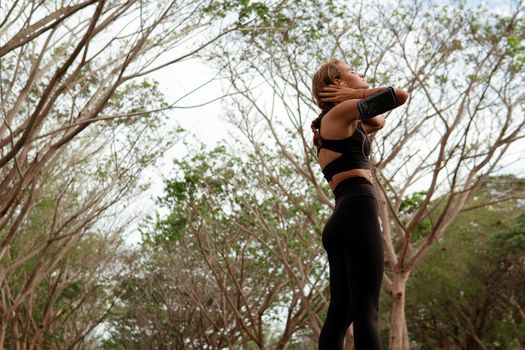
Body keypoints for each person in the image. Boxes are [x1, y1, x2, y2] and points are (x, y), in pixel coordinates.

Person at [311, 58, 408, 350]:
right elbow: (399, 95)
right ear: (337, 84)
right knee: (367, 310)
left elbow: (377, 120)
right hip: (358, 209)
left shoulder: (339, 119)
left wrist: (352, 93)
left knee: (340, 315)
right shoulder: (340, 112)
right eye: (354, 72)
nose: (362, 74)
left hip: (342, 218)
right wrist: (354, 95)